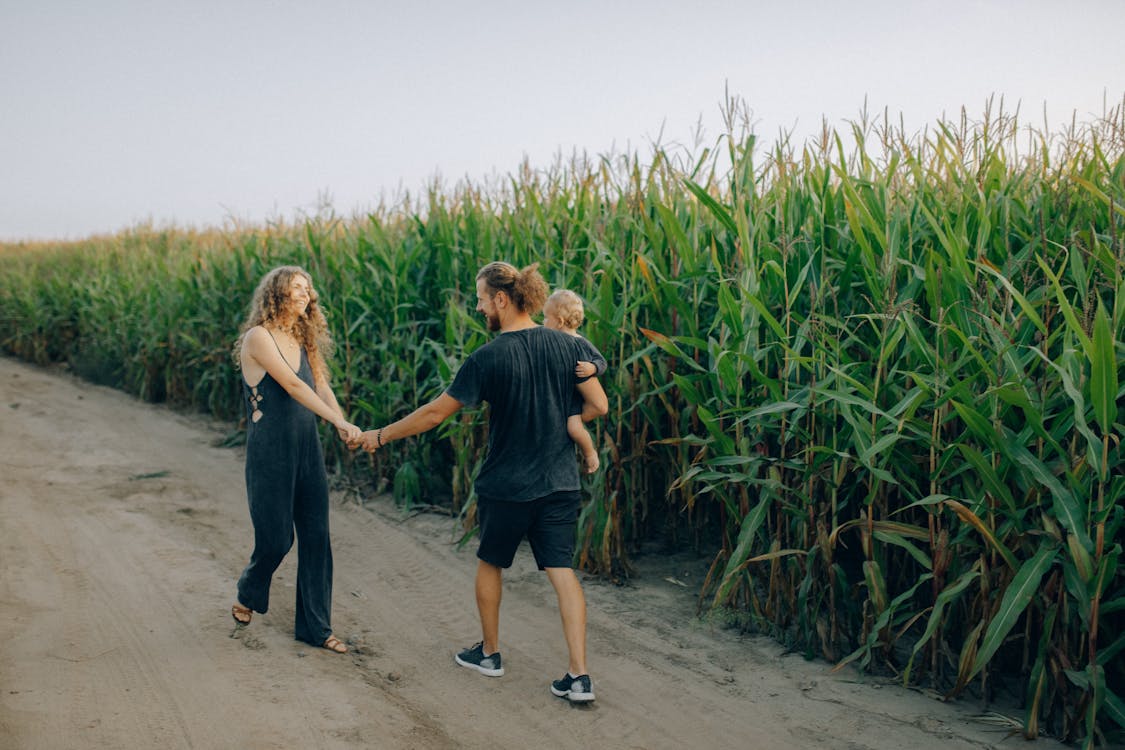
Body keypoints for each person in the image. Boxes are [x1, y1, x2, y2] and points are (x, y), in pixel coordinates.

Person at [354, 261, 608, 703]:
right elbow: (596, 405)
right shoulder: (568, 346)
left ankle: (489, 654)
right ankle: (579, 676)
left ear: (501, 300)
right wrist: (564, 427)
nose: (477, 307)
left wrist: (379, 435)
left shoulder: (488, 357)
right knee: (563, 572)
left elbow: (435, 414)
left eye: (480, 299)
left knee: (492, 561)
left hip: (507, 483)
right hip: (560, 483)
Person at [230, 265, 361, 655]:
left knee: (317, 537)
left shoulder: (303, 338)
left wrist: (342, 424)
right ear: (276, 294)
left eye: (308, 289)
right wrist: (336, 419)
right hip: (271, 451)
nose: (305, 295)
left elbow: (320, 385)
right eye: (296, 289)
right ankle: (249, 590)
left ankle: (316, 628)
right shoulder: (259, 337)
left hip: (307, 448)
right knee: (276, 539)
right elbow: (291, 384)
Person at [542, 289, 607, 474]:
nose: (543, 323)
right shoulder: (549, 342)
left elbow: (602, 362)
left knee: (574, 428)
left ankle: (590, 453)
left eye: (546, 318)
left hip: (572, 402)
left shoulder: (580, 344)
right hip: (557, 398)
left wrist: (592, 368)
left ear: (560, 322)